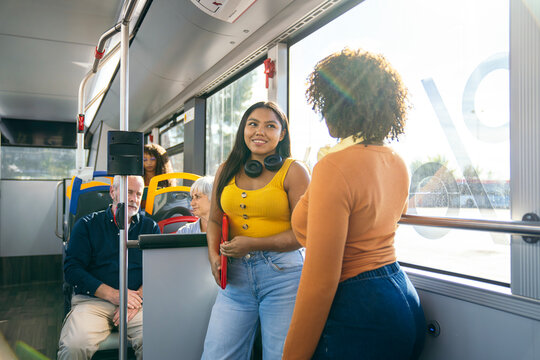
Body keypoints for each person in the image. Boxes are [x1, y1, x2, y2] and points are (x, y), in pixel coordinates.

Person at [282, 48, 426, 359]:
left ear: (341, 104)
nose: (323, 114)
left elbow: (320, 283)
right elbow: (385, 216)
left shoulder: (334, 168)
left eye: (326, 103)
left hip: (359, 308)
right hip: (401, 295)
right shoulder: (397, 162)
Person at [202, 101, 310, 360]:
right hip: (235, 278)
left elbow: (302, 235)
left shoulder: (295, 172)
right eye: (253, 124)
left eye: (270, 126)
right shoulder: (225, 170)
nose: (259, 131)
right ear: (243, 130)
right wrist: (214, 257)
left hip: (284, 276)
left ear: (281, 134)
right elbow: (215, 220)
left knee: (280, 356)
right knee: (216, 355)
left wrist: (252, 244)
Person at [57, 175, 160, 360]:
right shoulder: (87, 225)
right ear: (113, 192)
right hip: (93, 301)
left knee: (158, 341)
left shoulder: (150, 226)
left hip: (136, 302)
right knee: (74, 347)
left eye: (138, 194)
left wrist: (135, 300)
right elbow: (72, 270)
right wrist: (115, 295)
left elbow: (158, 270)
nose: (134, 199)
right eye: (129, 192)